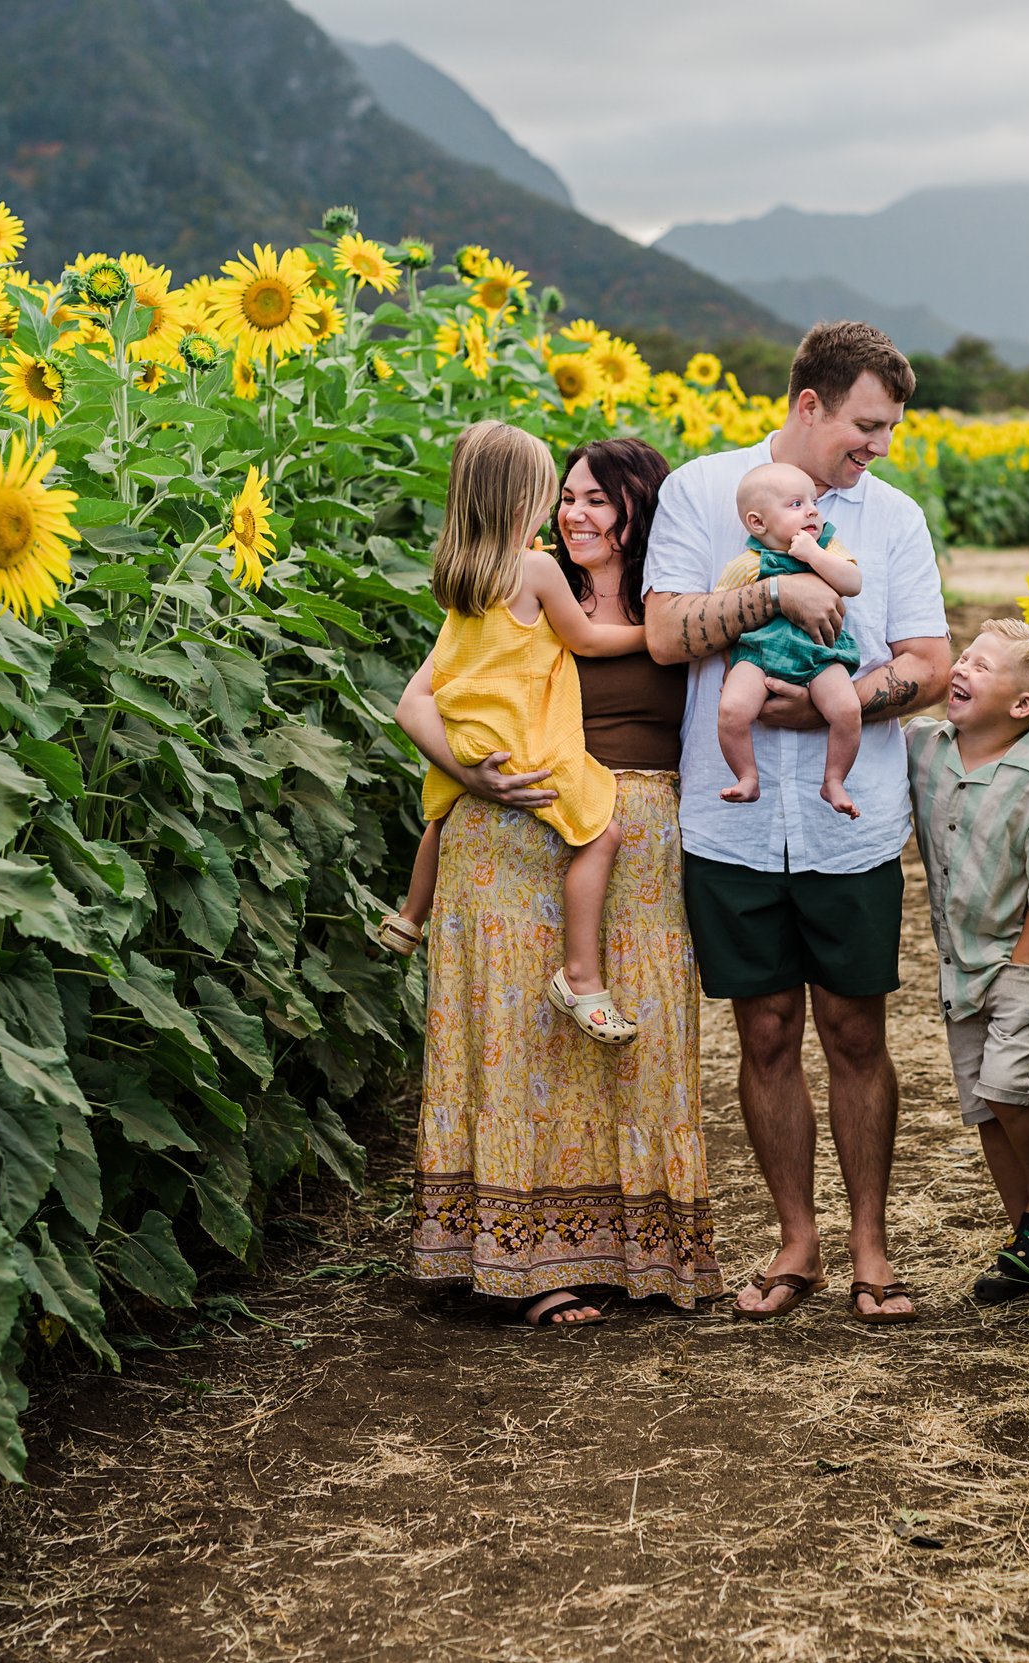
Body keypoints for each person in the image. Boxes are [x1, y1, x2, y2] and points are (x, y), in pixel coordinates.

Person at [643, 321, 954, 1325]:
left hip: (847, 817)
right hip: (728, 819)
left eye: (890, 428)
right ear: (808, 403)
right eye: (866, 425)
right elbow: (660, 630)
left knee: (856, 1029)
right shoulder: (701, 492)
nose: (879, 446)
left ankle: (871, 1244)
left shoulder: (891, 519)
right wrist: (774, 591)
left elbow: (929, 662)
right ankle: (796, 1241)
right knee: (765, 1029)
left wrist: (847, 695)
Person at [400, 437, 718, 1326]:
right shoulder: (528, 585)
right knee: (529, 1048)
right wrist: (476, 773)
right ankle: (533, 1265)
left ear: (635, 510)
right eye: (566, 496)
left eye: (596, 500)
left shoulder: (673, 598)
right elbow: (423, 696)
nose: (574, 514)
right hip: (520, 834)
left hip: (638, 842)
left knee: (638, 1044)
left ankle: (635, 1254)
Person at [382, 420, 644, 1045]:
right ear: (523, 500)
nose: (561, 511)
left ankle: (408, 919)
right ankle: (580, 976)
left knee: (439, 824)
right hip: (525, 745)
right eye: (554, 494)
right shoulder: (537, 571)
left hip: (467, 740)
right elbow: (583, 639)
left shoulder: (460, 575)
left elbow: (426, 688)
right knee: (600, 835)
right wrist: (653, 637)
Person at [906, 619, 1029, 1303]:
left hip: (1024, 959)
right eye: (965, 657)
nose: (962, 669)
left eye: (983, 666)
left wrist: (1017, 975)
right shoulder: (924, 749)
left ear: (1022, 707)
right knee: (983, 1104)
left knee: (1009, 1086)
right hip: (961, 961)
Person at [716, 462, 865, 816]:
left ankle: (834, 780)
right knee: (732, 710)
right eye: (796, 504)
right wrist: (729, 667)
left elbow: (852, 582)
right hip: (759, 655)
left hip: (820, 652)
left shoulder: (828, 547)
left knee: (847, 710)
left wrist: (814, 554)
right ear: (758, 523)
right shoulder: (747, 564)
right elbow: (723, 615)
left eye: (813, 501)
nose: (812, 509)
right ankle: (747, 776)